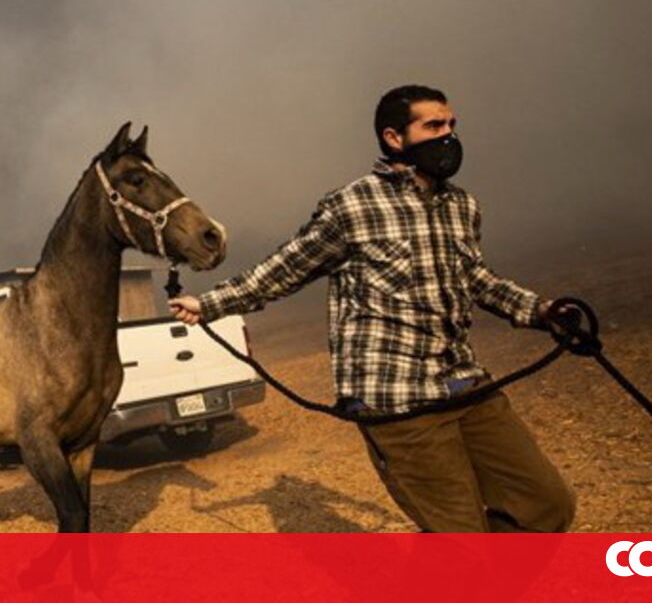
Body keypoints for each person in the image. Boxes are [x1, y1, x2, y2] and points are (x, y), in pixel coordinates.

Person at [168, 84, 576, 532]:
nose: (448, 136)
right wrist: (208, 304)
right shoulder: (353, 205)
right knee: (460, 538)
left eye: (451, 125)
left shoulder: (462, 205)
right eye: (433, 126)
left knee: (546, 503)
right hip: (399, 401)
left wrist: (543, 312)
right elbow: (285, 269)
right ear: (394, 138)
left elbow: (475, 278)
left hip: (465, 384)